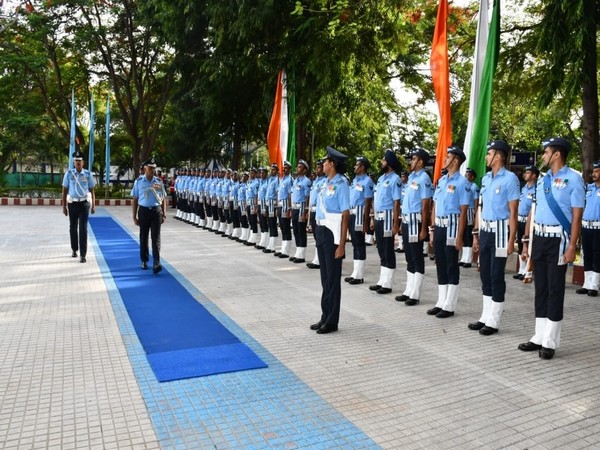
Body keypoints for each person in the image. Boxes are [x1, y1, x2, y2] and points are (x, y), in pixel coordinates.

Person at [519, 138, 584, 359]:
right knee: (541, 289)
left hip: (559, 239)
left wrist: (572, 247)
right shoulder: (542, 181)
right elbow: (533, 211)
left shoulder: (574, 179)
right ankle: (539, 336)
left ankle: (550, 341)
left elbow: (576, 217)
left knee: (555, 289)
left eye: (546, 152)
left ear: (556, 154)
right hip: (540, 237)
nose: (543, 156)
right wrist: (528, 242)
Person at [469, 140, 519, 335]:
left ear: (498, 156)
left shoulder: (510, 179)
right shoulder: (486, 179)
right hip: (485, 231)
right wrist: (476, 235)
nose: (486, 157)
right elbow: (481, 209)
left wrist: (511, 240)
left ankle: (494, 320)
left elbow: (513, 213)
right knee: (485, 275)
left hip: (500, 232)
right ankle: (485, 316)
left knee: (496, 275)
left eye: (489, 154)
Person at [310, 146, 350, 334]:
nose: (323, 164)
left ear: (332, 164)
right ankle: (325, 315)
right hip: (321, 230)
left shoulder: (341, 184)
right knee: (325, 278)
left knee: (333, 279)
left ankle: (332, 321)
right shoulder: (325, 183)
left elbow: (345, 215)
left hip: (332, 234)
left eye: (325, 161)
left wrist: (342, 244)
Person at [427, 147, 469, 318]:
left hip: (452, 228)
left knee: (451, 265)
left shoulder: (462, 183)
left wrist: (460, 237)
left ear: (456, 161)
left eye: (448, 157)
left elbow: (464, 211)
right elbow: (435, 206)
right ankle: (441, 301)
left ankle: (450, 305)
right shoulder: (442, 181)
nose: (444, 160)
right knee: (441, 264)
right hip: (439, 227)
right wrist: (432, 230)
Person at [395, 148, 433, 305]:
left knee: (417, 257)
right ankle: (408, 290)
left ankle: (415, 294)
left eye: (414, 158)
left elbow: (425, 206)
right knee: (409, 256)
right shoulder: (411, 178)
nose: (411, 161)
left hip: (416, 222)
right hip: (406, 221)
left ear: (421, 162)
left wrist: (424, 228)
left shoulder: (424, 179)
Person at [131, 157, 167, 274]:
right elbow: (135, 199)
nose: (152, 170)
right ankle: (144, 260)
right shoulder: (139, 181)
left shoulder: (158, 182)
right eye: (150, 168)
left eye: (154, 168)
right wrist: (134, 216)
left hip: (156, 212)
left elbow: (163, 199)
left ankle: (156, 263)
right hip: (144, 211)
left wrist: (164, 214)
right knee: (144, 237)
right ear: (145, 168)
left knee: (156, 238)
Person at [62, 150, 96, 263]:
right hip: (72, 204)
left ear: (83, 162)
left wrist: (93, 205)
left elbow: (92, 190)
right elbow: (64, 190)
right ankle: (74, 249)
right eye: (76, 161)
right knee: (73, 228)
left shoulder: (88, 174)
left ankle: (83, 254)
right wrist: (64, 206)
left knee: (83, 228)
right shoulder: (69, 174)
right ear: (73, 162)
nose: (78, 163)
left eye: (80, 161)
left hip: (84, 204)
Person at [345, 156, 374, 284]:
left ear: (362, 167)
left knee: (359, 243)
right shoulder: (355, 180)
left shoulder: (367, 181)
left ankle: (359, 275)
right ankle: (355, 272)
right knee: (354, 243)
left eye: (357, 165)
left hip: (360, 215)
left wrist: (366, 222)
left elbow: (368, 203)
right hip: (352, 214)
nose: (354, 167)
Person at [575, 161, 600, 296]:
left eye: (597, 171)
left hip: (598, 228)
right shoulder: (589, 188)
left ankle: (594, 286)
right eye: (593, 171)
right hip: (586, 226)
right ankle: (586, 284)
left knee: (597, 255)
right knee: (587, 255)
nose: (593, 174)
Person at [513, 165, 539, 280]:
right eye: (525, 172)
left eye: (528, 173)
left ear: (534, 175)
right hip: (520, 219)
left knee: (528, 245)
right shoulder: (524, 189)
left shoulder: (536, 190)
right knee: (520, 244)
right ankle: (521, 270)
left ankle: (528, 270)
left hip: (530, 222)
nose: (525, 175)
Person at [290, 160, 312, 263]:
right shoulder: (295, 180)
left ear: (304, 170)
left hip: (302, 207)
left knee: (301, 231)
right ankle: (298, 252)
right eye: (297, 167)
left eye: (300, 167)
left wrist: (305, 212)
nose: (297, 168)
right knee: (295, 231)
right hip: (294, 207)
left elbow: (308, 196)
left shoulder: (306, 181)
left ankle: (301, 255)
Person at [459, 168, 479, 268]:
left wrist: (475, 213)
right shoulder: (464, 185)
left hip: (470, 210)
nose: (466, 177)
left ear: (472, 177)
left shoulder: (474, 186)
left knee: (468, 234)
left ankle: (469, 259)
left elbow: (476, 200)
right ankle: (463, 258)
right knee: (463, 234)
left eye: (469, 175)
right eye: (466, 175)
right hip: (463, 210)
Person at [307, 160, 326, 268]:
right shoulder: (315, 181)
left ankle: (319, 260)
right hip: (313, 210)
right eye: (317, 167)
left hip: (320, 211)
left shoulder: (324, 181)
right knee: (315, 236)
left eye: (319, 167)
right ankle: (317, 258)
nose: (317, 169)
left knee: (320, 237)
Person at [395, 170, 409, 253]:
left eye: (403, 176)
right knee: (400, 228)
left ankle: (404, 245)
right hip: (400, 208)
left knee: (403, 228)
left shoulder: (409, 186)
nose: (401, 178)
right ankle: (400, 245)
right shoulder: (401, 186)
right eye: (401, 176)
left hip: (406, 209)